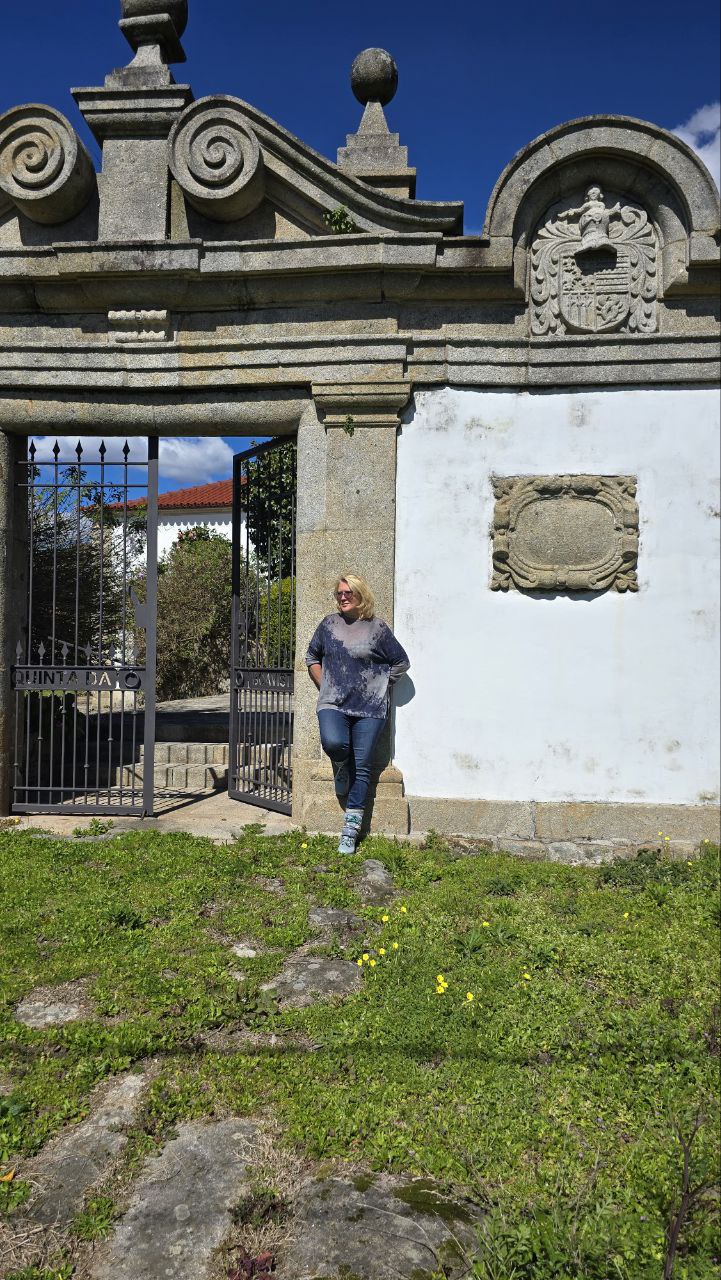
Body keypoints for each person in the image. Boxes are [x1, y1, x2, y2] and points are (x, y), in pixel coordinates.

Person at [305, 573, 410, 854]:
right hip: (334, 703)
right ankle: (340, 766)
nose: (342, 597)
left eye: (347, 593)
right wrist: (325, 683)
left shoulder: (377, 629)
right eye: (339, 593)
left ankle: (349, 831)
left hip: (370, 709)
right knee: (334, 743)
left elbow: (401, 662)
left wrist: (378, 686)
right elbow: (311, 657)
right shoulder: (328, 625)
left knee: (362, 767)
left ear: (361, 595)